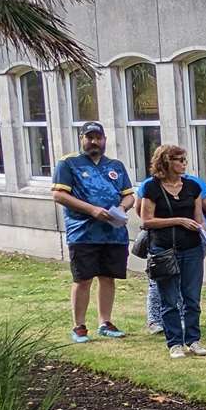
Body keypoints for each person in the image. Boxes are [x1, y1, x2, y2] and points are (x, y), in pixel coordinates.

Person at [51, 121, 134, 343]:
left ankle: (105, 322)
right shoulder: (69, 163)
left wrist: (122, 208)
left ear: (105, 139)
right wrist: (92, 210)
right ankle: (79, 326)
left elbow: (129, 195)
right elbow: (59, 195)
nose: (94, 142)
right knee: (83, 278)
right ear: (82, 139)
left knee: (108, 277)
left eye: (98, 137)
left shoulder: (115, 165)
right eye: (89, 138)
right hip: (83, 232)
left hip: (113, 233)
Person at [138, 144, 206, 358]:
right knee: (169, 298)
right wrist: (178, 220)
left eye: (184, 160)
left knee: (192, 297)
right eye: (178, 160)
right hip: (163, 249)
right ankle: (174, 343)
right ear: (166, 161)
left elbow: (198, 220)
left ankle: (193, 339)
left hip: (192, 248)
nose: (182, 164)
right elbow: (146, 220)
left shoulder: (192, 187)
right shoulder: (151, 187)